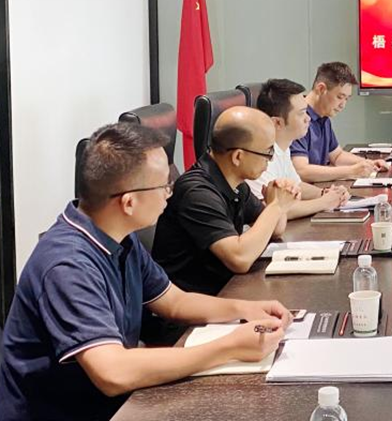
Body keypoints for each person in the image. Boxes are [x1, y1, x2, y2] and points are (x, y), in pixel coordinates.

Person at [0, 124, 291, 421]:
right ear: (129, 202)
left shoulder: (120, 237)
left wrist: (245, 309)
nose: (169, 193)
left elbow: (175, 302)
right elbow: (112, 373)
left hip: (112, 404)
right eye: (164, 185)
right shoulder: (67, 265)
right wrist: (229, 347)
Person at [152, 106, 301, 296]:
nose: (269, 161)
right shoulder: (197, 193)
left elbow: (275, 230)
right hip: (194, 305)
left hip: (225, 292)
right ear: (238, 156)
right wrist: (276, 206)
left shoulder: (236, 183)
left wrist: (276, 202)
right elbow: (240, 259)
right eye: (267, 153)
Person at [248, 78, 350, 215]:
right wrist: (325, 202)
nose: (308, 118)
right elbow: (271, 211)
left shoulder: (283, 147)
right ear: (277, 123)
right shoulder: (259, 156)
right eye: (301, 113)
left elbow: (297, 184)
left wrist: (325, 193)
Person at [291, 62, 390, 182]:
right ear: (321, 89)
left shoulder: (323, 117)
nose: (343, 105)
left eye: (346, 99)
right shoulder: (297, 118)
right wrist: (351, 171)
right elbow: (301, 171)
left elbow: (337, 156)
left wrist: (368, 164)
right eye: (339, 97)